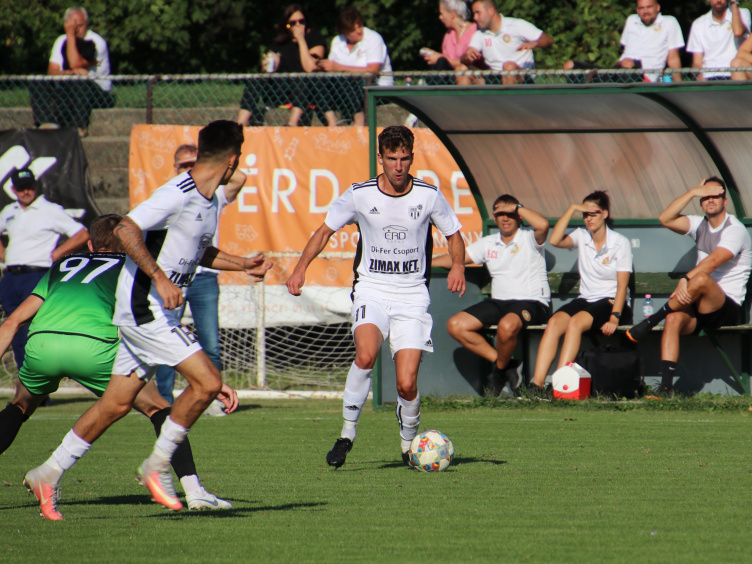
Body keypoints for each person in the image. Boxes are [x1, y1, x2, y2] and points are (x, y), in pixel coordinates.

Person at [23, 120, 273, 515]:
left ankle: (48, 472)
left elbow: (197, 251)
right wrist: (158, 277)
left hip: (152, 312)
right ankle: (155, 467)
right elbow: (125, 229)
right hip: (146, 310)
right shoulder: (177, 192)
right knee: (208, 383)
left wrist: (242, 264)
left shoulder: (209, 201)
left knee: (114, 404)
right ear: (232, 159)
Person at [0, 215, 230, 519]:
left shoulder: (63, 266)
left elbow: (13, 322)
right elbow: (160, 325)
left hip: (42, 345)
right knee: (159, 408)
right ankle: (194, 492)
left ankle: (48, 473)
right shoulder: (134, 267)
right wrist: (201, 374)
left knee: (19, 406)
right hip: (94, 348)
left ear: (91, 245)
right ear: (131, 244)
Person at [286, 125, 466, 468]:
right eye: (392, 159)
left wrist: (458, 265)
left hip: (412, 296)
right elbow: (324, 231)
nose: (398, 166)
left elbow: (454, 234)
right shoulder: (360, 194)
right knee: (366, 354)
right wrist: (299, 269)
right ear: (380, 158)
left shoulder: (428, 195)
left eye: (404, 159)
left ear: (412, 158)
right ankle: (346, 435)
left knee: (406, 383)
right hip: (372, 289)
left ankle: (408, 444)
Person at [626, 178, 752, 396]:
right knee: (673, 319)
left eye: (715, 196)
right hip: (698, 305)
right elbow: (665, 218)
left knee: (701, 279)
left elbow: (714, 262)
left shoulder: (735, 229)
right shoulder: (699, 224)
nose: (710, 200)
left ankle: (651, 321)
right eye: (705, 196)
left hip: (726, 308)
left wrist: (686, 278)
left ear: (725, 201)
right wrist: (693, 191)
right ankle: (666, 388)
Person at [153, 144, 246, 414]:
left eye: (193, 163)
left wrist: (213, 166)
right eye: (183, 164)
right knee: (167, 340)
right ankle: (164, 402)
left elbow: (240, 178)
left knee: (210, 344)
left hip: (204, 278)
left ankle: (211, 400)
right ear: (174, 167)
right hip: (174, 279)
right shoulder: (170, 195)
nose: (188, 169)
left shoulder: (211, 193)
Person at [434, 195, 550, 396]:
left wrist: (517, 207)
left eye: (509, 214)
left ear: (519, 216)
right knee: (456, 325)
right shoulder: (489, 243)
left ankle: (497, 374)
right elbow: (457, 259)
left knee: (507, 325)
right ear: (494, 218)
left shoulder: (529, 237)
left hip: (532, 302)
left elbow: (543, 225)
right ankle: (506, 365)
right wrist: (424, 262)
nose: (505, 218)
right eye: (500, 214)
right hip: (499, 303)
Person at [531, 192, 633, 394]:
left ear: (605, 214)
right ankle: (536, 385)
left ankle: (559, 385)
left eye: (593, 214)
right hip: (586, 300)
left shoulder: (620, 242)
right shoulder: (581, 235)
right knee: (554, 322)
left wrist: (615, 317)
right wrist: (572, 209)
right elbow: (555, 240)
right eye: (585, 214)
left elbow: (622, 286)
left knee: (575, 323)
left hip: (612, 302)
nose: (588, 219)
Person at [0, 168, 89, 368]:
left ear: (35, 186)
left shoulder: (50, 210)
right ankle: (25, 379)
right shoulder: (9, 211)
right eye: (21, 188)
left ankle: (41, 379)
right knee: (14, 329)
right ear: (13, 190)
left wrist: (56, 254)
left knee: (34, 328)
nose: (26, 192)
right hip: (11, 277)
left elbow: (81, 234)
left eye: (29, 187)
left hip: (36, 275)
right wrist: (4, 255)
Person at [237, 5, 335, 127]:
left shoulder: (314, 38)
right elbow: (270, 69)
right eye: (292, 23)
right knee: (256, 79)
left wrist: (301, 40)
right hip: (284, 89)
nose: (298, 25)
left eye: (301, 21)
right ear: (287, 26)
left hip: (308, 89)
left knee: (301, 79)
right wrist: (268, 66)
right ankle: (241, 122)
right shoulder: (280, 43)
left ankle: (292, 123)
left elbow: (311, 68)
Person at [29, 7, 115, 136]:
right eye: (71, 26)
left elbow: (75, 63)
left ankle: (79, 126)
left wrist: (70, 36)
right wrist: (69, 73)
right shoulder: (60, 41)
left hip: (96, 91)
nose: (75, 30)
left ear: (87, 25)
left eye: (79, 26)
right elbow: (52, 72)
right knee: (36, 79)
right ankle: (45, 123)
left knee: (79, 81)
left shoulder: (96, 42)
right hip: (67, 88)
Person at [563, 0, 684, 83]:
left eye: (649, 7)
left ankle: (602, 82)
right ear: (637, 10)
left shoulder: (669, 22)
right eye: (641, 8)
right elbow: (625, 52)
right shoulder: (631, 20)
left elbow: (673, 58)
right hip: (619, 71)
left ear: (657, 7)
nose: (645, 11)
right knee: (570, 66)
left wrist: (678, 83)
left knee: (628, 64)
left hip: (644, 75)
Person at [318, 7, 393, 126]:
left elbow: (373, 70)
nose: (359, 31)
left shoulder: (373, 38)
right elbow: (332, 70)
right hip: (344, 87)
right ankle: (332, 122)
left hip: (373, 84)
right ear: (344, 32)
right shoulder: (337, 41)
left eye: (360, 26)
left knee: (345, 77)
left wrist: (341, 68)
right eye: (353, 29)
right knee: (319, 79)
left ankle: (359, 118)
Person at [462, 0, 553, 85]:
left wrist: (535, 43)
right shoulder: (479, 34)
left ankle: (507, 97)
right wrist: (468, 56)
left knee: (509, 67)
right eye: (474, 14)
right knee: (462, 70)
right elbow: (465, 58)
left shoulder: (516, 25)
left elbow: (548, 40)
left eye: (478, 13)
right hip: (495, 77)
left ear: (491, 11)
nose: (475, 18)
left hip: (522, 78)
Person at [687, 0, 751, 81]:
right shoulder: (698, 24)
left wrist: (734, 3)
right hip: (709, 77)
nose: (718, 1)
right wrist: (703, 83)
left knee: (736, 64)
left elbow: (738, 32)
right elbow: (697, 62)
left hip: (734, 74)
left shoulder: (741, 13)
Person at [419, 0, 478, 81]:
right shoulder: (448, 35)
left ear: (452, 14)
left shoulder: (474, 31)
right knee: (440, 63)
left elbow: (471, 63)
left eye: (442, 14)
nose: (440, 17)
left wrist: (440, 58)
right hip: (451, 78)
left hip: (470, 76)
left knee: (442, 61)